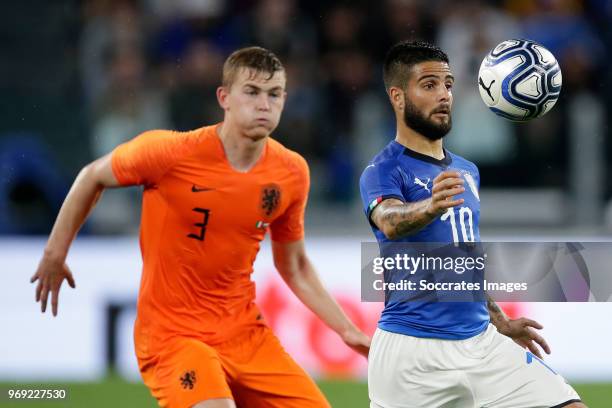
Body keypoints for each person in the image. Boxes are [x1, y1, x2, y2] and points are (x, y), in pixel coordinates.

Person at [31, 46, 370, 408]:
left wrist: (346, 329)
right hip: (173, 337)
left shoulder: (291, 172)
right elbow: (91, 176)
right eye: (252, 92)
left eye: (274, 95)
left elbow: (296, 265)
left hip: (244, 336)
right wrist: (55, 252)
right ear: (224, 98)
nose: (264, 104)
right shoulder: (171, 153)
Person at [359, 40, 584, 408]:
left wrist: (499, 320)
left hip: (482, 343)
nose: (444, 94)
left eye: (448, 84)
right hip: (412, 357)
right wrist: (430, 205)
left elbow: (464, 260)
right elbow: (388, 221)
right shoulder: (383, 169)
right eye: (429, 85)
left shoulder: (465, 169)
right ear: (398, 97)